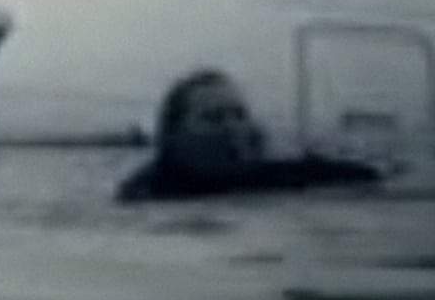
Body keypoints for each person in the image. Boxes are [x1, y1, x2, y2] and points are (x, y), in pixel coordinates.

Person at [117, 69, 385, 202]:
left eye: (239, 115)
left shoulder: (275, 174)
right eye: (214, 119)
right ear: (173, 137)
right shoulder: (147, 193)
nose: (233, 128)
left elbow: (366, 178)